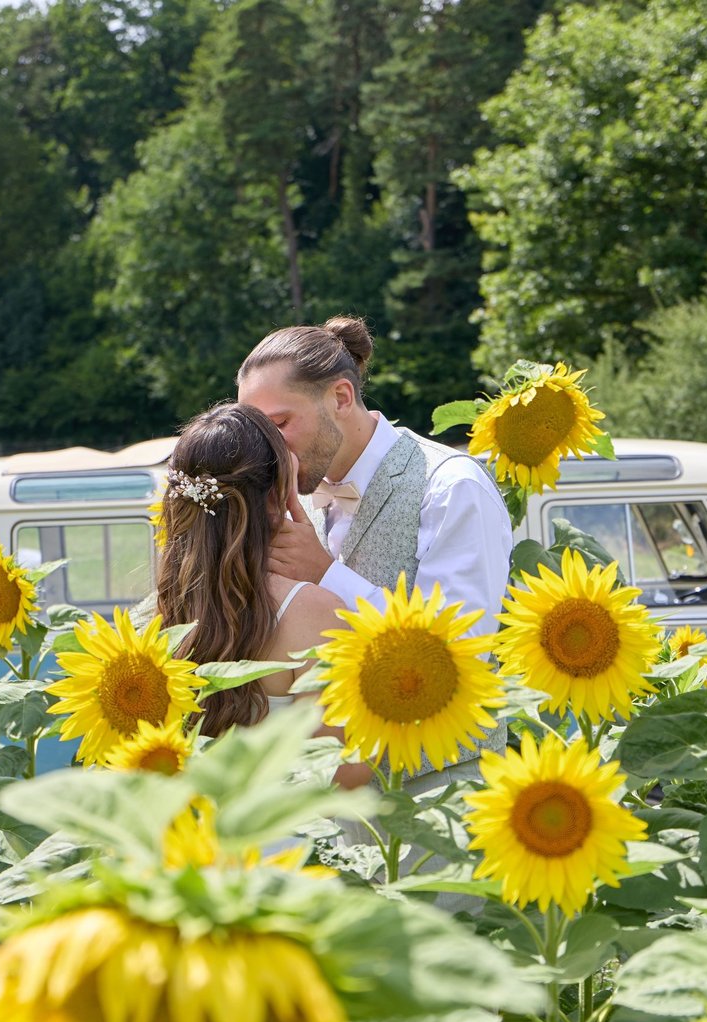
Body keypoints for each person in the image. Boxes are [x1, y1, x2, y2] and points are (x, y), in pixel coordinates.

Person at [236, 316, 513, 640]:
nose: (268, 448)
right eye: (258, 432)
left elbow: (460, 642)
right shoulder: (293, 495)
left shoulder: (452, 486)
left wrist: (324, 574)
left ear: (341, 398)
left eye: (280, 424)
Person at [153, 401, 369, 787]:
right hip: (281, 825)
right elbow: (346, 772)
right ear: (280, 496)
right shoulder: (313, 613)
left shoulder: (162, 612)